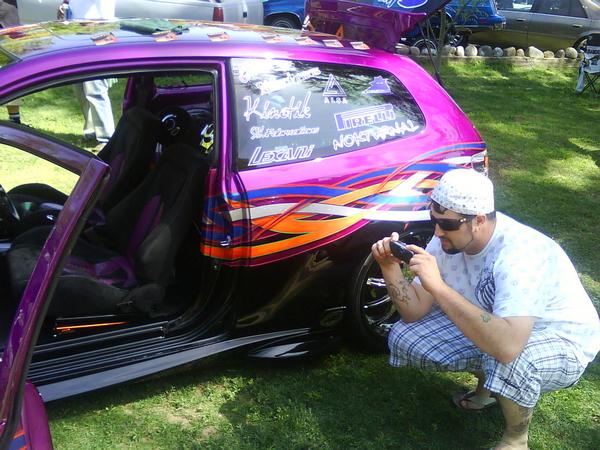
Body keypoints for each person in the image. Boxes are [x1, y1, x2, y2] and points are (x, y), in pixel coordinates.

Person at [371, 169, 600, 450]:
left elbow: (508, 347)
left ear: (478, 220)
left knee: (508, 360)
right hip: (502, 326)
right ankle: (489, 389)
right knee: (408, 335)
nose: (438, 231)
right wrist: (389, 267)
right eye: (434, 220)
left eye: (447, 224)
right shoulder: (448, 239)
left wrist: (439, 288)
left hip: (561, 340)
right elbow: (414, 312)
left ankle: (516, 440)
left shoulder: (520, 255)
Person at [58, 0, 117, 147]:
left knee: (95, 88)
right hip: (77, 28)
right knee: (79, 86)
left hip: (99, 28)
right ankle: (91, 133)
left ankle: (106, 139)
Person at [1, 0, 22, 124]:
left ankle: (14, 119)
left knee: (12, 68)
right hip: (8, 9)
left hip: (8, 11)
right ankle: (14, 119)